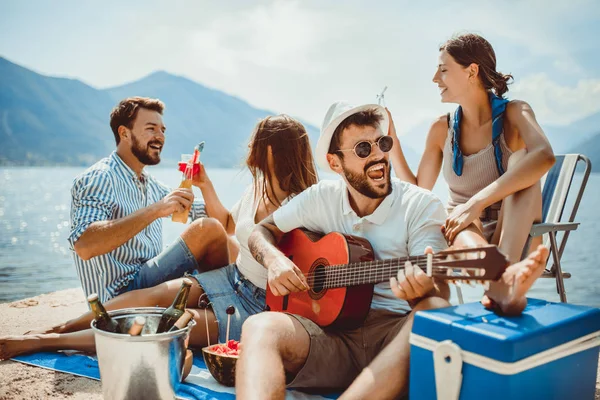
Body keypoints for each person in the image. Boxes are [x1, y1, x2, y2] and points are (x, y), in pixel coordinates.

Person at [235, 102, 549, 400]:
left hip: (393, 342)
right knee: (260, 326)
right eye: (362, 149)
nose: (378, 156)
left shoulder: (420, 205)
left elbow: (438, 288)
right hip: (331, 337)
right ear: (335, 163)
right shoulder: (321, 197)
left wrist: (420, 292)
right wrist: (274, 259)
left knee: (433, 308)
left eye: (383, 144)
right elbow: (263, 231)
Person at [0, 115, 318, 360]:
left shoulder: (300, 208)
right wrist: (205, 184)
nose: (248, 150)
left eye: (254, 144)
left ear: (271, 151)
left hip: (256, 306)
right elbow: (228, 224)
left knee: (165, 321)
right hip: (231, 278)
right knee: (149, 296)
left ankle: (45, 341)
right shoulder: (256, 189)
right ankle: (60, 326)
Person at [388, 33, 555, 315]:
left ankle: (497, 276)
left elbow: (544, 155)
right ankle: (502, 281)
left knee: (524, 159)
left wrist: (474, 203)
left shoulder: (515, 113)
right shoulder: (441, 129)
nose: (434, 79)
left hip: (517, 229)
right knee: (459, 223)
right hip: (467, 232)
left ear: (472, 71)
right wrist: (392, 141)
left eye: (443, 70)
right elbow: (419, 189)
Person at [69, 96, 229, 303]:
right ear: (124, 133)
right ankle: (223, 307)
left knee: (225, 242)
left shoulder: (150, 185)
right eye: (151, 128)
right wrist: (156, 210)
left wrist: (205, 184)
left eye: (163, 130)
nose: (160, 136)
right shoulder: (100, 177)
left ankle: (217, 307)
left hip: (148, 280)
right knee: (205, 230)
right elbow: (84, 246)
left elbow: (224, 225)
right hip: (121, 295)